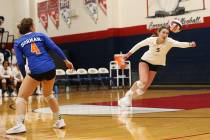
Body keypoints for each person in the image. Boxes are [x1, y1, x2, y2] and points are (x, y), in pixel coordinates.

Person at [6, 18, 74, 134]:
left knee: (21, 98)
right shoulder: (41, 35)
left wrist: (24, 76)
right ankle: (60, 120)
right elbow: (55, 48)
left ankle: (20, 124)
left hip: (36, 71)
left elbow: (21, 63)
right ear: (32, 26)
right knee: (48, 94)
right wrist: (66, 61)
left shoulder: (18, 42)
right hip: (50, 68)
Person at [118, 26, 196, 107]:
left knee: (143, 90)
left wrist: (190, 44)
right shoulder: (151, 40)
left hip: (156, 64)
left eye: (167, 33)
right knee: (143, 81)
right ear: (158, 33)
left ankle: (128, 99)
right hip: (145, 61)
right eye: (163, 32)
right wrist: (128, 54)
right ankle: (128, 95)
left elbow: (180, 44)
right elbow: (139, 45)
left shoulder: (169, 41)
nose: (165, 34)